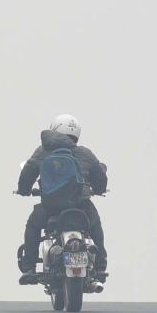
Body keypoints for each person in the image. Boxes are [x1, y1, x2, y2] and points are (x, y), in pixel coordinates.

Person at [16, 114, 108, 284]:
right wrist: (100, 189)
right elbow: (100, 178)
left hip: (50, 207)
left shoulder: (42, 151)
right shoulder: (84, 153)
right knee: (95, 226)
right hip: (81, 206)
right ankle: (101, 266)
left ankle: (29, 268)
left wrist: (23, 190)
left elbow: (28, 171)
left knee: (33, 227)